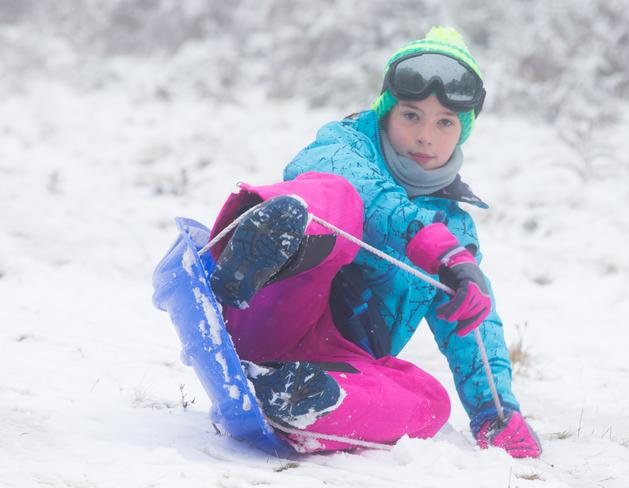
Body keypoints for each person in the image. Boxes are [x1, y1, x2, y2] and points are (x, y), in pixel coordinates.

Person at [207, 26, 542, 458]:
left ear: (464, 132)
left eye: (445, 122)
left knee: (429, 402)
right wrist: (420, 236)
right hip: (267, 304)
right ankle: (261, 243)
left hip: (336, 358)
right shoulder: (346, 146)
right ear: (385, 111)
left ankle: (309, 401)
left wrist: (496, 410)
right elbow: (330, 170)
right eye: (411, 115)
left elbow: (471, 329)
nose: (426, 135)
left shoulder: (455, 230)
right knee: (337, 196)